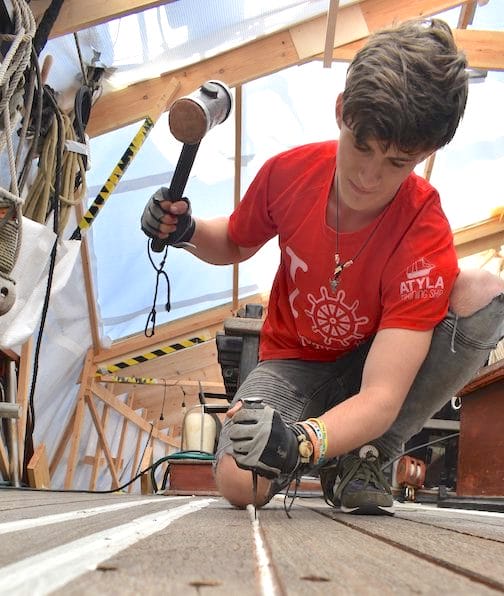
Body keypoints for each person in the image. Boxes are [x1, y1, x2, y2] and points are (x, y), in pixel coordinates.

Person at [141, 18, 504, 516]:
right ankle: (331, 451)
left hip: (371, 363)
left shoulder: (424, 229)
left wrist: (303, 443)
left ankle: (371, 453)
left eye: (397, 162)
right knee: (238, 481)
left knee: (483, 289)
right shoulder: (287, 174)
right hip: (292, 365)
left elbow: (380, 392)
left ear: (427, 153)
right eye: (362, 146)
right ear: (341, 113)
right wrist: (184, 231)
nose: (370, 177)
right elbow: (232, 241)